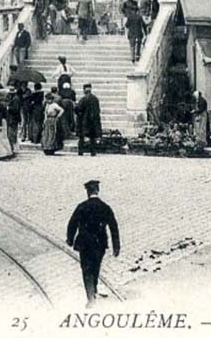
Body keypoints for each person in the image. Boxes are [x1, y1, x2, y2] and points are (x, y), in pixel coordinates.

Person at [66, 180, 120, 308]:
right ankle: (94, 291)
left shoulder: (81, 206)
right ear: (97, 191)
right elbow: (113, 227)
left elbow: (72, 224)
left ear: (88, 192)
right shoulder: (105, 207)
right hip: (100, 244)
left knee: (87, 270)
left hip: (84, 244)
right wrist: (116, 246)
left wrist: (70, 239)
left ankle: (91, 298)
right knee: (96, 267)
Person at [75, 84, 102, 157]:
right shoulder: (95, 98)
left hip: (84, 120)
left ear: (84, 90)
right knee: (92, 137)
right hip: (93, 120)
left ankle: (81, 151)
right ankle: (93, 152)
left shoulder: (83, 99)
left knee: (81, 137)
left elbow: (78, 108)